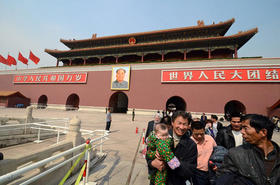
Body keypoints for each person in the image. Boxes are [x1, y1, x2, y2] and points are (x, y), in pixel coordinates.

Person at [217, 114, 280, 185]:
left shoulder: (277, 156)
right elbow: (223, 179)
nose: (242, 132)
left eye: (245, 128)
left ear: (263, 132)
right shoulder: (236, 154)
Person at [147, 111, 197, 185]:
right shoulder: (160, 135)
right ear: (172, 122)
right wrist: (152, 163)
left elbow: (190, 171)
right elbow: (149, 154)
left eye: (185, 124)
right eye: (179, 123)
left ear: (188, 125)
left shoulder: (191, 145)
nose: (182, 127)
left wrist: (170, 162)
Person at [191, 121, 217, 185]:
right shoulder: (189, 143)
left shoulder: (210, 139)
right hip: (197, 173)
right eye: (196, 134)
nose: (199, 136)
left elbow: (217, 152)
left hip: (212, 171)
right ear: (192, 131)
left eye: (202, 134)